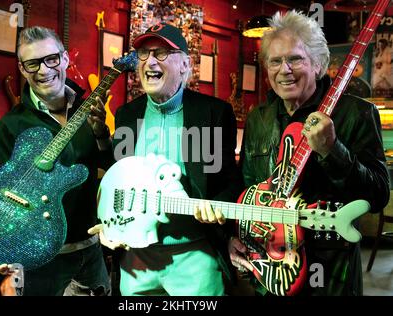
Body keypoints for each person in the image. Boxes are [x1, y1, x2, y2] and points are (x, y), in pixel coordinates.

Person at [229, 10, 390, 296]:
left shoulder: (357, 113)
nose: (284, 69)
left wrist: (332, 150)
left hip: (330, 272)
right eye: (275, 61)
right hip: (270, 266)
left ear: (318, 65)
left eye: (295, 59)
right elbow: (249, 191)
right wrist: (236, 236)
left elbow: (377, 195)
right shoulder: (259, 118)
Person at [95, 22, 242, 296]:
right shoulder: (127, 114)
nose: (150, 61)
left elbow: (231, 179)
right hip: (136, 258)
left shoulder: (214, 113)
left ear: (185, 64)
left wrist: (217, 206)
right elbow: (119, 173)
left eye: (161, 53)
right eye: (143, 53)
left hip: (195, 254)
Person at [0, 26, 113, 296]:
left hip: (91, 251)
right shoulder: (11, 126)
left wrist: (102, 135)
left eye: (51, 59)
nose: (44, 70)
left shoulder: (91, 112)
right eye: (32, 63)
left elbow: (112, 168)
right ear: (23, 69)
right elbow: (0, 198)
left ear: (65, 59)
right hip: (40, 261)